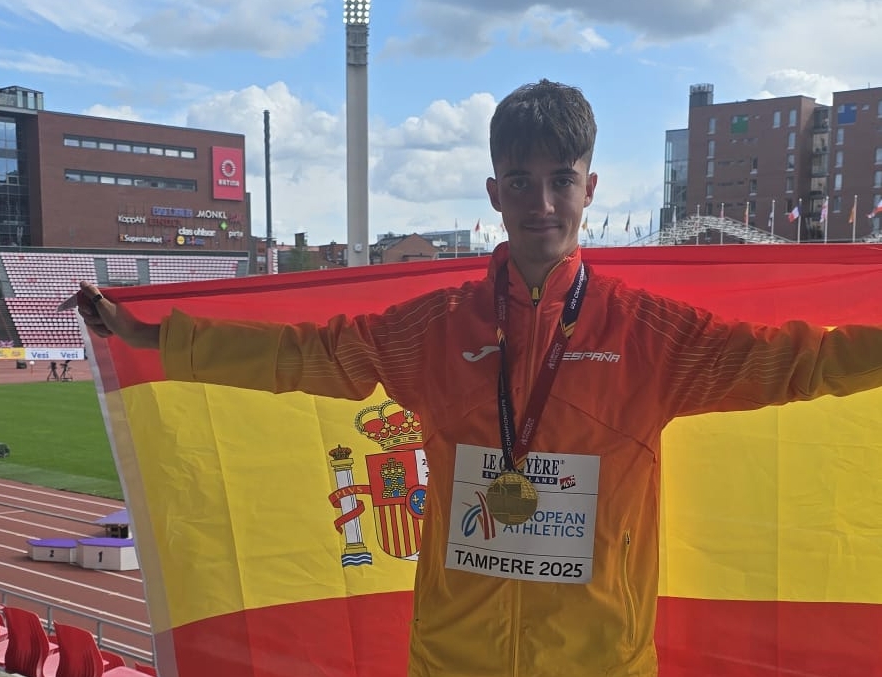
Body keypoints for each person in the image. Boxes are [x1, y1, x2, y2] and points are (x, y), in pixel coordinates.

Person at [76, 79, 882, 677]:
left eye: (561, 179)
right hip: (452, 656)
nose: (542, 201)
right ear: (494, 193)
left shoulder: (648, 334)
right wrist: (158, 336)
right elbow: (300, 354)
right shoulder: (435, 328)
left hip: (595, 660)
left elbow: (803, 360)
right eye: (521, 182)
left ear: (589, 190)